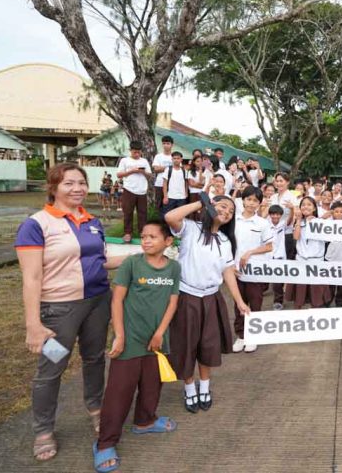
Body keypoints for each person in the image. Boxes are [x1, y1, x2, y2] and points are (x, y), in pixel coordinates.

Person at [15, 163, 126, 461]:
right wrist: (33, 325)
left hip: (97, 304)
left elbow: (101, 260)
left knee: (94, 359)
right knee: (52, 367)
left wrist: (142, 255)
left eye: (81, 183)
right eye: (68, 183)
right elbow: (31, 278)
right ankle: (43, 430)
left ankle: (97, 410)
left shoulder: (92, 221)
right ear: (53, 187)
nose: (77, 189)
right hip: (58, 311)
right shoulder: (36, 225)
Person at [93, 222, 180, 473]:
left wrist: (160, 333)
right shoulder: (132, 264)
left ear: (168, 242)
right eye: (143, 236)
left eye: (153, 237)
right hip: (130, 338)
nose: (146, 241)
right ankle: (105, 443)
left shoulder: (174, 268)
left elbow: (172, 303)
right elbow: (117, 300)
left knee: (152, 384)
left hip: (157, 339)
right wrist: (119, 335)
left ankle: (145, 421)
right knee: (119, 391)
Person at [164, 196, 250, 414]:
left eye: (231, 211)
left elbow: (227, 271)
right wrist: (201, 203)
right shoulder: (191, 229)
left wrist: (240, 301)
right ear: (210, 206)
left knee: (208, 345)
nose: (227, 212)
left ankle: (204, 386)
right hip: (187, 296)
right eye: (223, 206)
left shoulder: (225, 240)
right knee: (186, 344)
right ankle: (189, 388)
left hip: (211, 297)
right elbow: (170, 217)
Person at [232, 186, 273, 354]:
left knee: (255, 304)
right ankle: (241, 336)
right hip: (236, 270)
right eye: (248, 199)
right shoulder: (233, 220)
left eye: (255, 200)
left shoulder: (263, 223)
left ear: (259, 203)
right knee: (239, 304)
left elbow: (269, 246)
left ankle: (253, 336)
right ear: (243, 200)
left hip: (255, 271)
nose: (251, 203)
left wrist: (250, 252)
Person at [287, 197, 331, 308]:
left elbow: (326, 238)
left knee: (316, 296)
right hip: (301, 261)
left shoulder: (321, 223)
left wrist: (317, 221)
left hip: (316, 262)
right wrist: (298, 220)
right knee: (299, 294)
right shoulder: (299, 222)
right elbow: (296, 237)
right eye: (303, 205)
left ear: (314, 208)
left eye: (309, 204)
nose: (305, 207)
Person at [117, 141, 152, 243]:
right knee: (128, 212)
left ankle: (143, 233)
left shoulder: (144, 161)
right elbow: (119, 175)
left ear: (141, 151)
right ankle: (128, 233)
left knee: (143, 213)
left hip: (142, 190)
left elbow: (149, 176)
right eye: (134, 152)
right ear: (130, 150)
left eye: (138, 152)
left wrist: (143, 172)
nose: (136, 154)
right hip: (129, 189)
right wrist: (132, 171)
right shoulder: (125, 160)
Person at [325, 201, 342, 307]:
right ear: (332, 212)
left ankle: (340, 300)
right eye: (336, 212)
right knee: (330, 280)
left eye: (341, 212)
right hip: (331, 254)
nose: (339, 214)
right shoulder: (328, 223)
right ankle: (328, 299)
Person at [268, 204, 287, 310]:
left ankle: (278, 302)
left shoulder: (283, 224)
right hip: (267, 256)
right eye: (273, 214)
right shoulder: (265, 224)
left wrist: (292, 209)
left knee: (278, 283)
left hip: (279, 256)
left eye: (278, 214)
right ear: (270, 214)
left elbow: (290, 220)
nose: (275, 216)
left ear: (281, 215)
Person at [160, 151, 188, 216]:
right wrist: (165, 196)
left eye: (178, 158)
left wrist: (186, 193)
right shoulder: (168, 169)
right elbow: (164, 183)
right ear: (172, 159)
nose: (176, 160)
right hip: (170, 197)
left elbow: (186, 182)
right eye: (174, 158)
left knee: (180, 215)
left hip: (181, 197)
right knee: (168, 215)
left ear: (181, 159)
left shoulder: (184, 170)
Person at [152, 135, 174, 208]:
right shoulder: (158, 156)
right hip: (159, 183)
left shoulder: (175, 156)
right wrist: (170, 168)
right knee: (159, 205)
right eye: (164, 143)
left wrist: (162, 168)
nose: (165, 145)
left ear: (172, 145)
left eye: (168, 143)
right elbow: (156, 169)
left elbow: (178, 168)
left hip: (172, 184)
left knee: (170, 205)